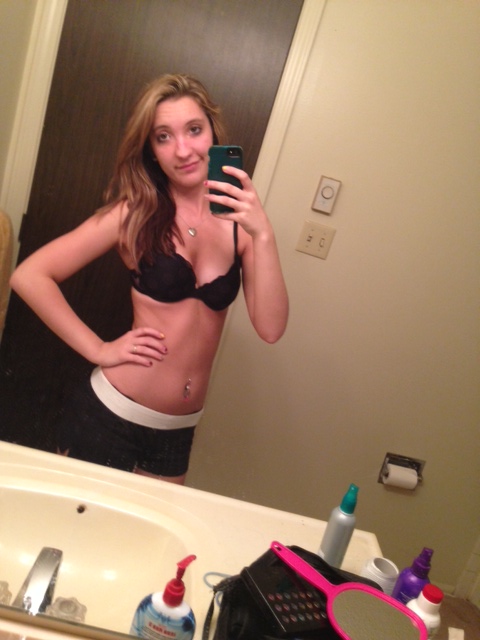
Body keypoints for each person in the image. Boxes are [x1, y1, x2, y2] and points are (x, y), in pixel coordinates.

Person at [10, 74, 288, 485]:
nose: (183, 150)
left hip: (176, 433)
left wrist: (264, 234)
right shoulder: (133, 215)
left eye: (194, 130)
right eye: (163, 137)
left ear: (213, 134)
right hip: (110, 417)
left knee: (152, 532)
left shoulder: (240, 226)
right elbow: (30, 275)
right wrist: (98, 348)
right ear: (151, 151)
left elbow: (270, 328)